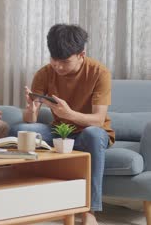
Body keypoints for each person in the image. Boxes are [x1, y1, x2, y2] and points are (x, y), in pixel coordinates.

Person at [12, 24, 114, 225]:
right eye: (54, 60)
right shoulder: (44, 73)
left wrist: (69, 114)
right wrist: (31, 112)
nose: (58, 67)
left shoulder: (99, 73)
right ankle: (24, 201)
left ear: (81, 54)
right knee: (21, 129)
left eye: (65, 62)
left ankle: (89, 210)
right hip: (60, 132)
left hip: (91, 132)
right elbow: (30, 119)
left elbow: (98, 119)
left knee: (93, 134)